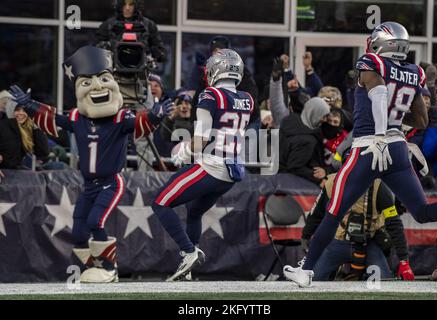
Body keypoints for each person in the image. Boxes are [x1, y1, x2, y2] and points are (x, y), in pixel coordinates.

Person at [283, 22, 437, 288]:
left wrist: (381, 135)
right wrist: (394, 127)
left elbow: (381, 94)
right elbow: (420, 119)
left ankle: (307, 269)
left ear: (382, 43)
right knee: (422, 210)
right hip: (396, 148)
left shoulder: (372, 63)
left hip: (370, 146)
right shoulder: (412, 72)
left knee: (334, 211)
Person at [9, 46, 171, 283]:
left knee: (96, 222)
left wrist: (156, 116)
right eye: (88, 82)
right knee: (78, 232)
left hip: (110, 183)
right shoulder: (78, 119)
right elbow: (56, 119)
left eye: (103, 79)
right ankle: (90, 268)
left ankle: (109, 268)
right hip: (89, 184)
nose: (97, 87)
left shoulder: (120, 117)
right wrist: (31, 105)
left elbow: (140, 123)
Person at [151, 49, 253, 281]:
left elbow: (201, 140)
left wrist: (184, 152)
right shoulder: (247, 98)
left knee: (160, 202)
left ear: (216, 70)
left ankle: (188, 252)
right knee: (194, 211)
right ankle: (188, 269)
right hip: (231, 171)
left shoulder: (211, 95)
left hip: (212, 165)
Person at [302, 143, 413, 281]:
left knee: (384, 283)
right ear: (344, 168)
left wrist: (404, 260)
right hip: (339, 241)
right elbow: (316, 214)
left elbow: (394, 223)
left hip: (369, 242)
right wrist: (305, 236)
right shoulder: (331, 182)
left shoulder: (379, 186)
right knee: (312, 279)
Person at [278, 97, 330, 186]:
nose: (325, 120)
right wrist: (318, 179)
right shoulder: (307, 141)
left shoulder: (290, 121)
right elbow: (295, 168)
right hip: (290, 183)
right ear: (314, 114)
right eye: (323, 116)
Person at [97, 0, 167, 63]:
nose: (127, 8)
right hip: (114, 70)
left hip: (141, 71)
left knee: (156, 78)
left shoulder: (148, 25)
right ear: (119, 4)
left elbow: (162, 53)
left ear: (136, 5)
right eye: (124, 4)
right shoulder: (108, 24)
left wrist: (157, 53)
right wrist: (103, 47)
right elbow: (95, 51)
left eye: (131, 4)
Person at [0, 104, 49, 170]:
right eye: (17, 110)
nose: (21, 113)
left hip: (15, 173)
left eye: (25, 111)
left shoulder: (28, 129)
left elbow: (43, 152)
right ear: (11, 111)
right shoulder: (2, 125)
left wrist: (36, 127)